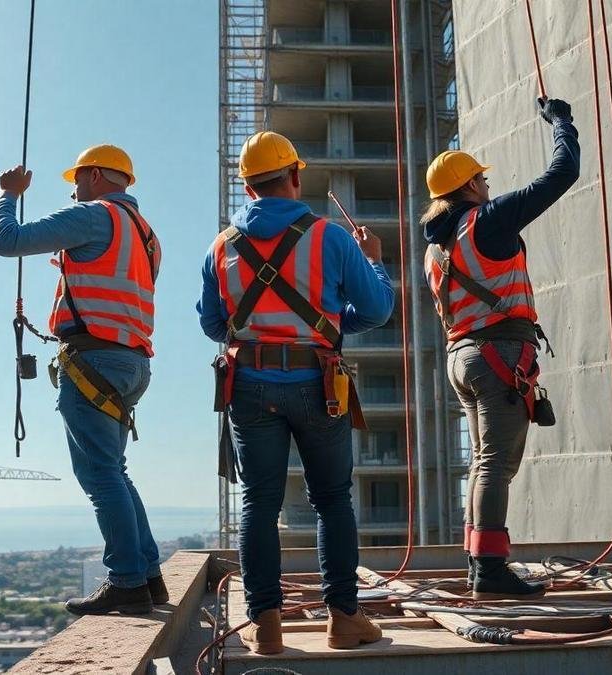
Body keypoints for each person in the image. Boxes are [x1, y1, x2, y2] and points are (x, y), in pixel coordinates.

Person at [197, 131, 393, 653]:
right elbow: (376, 310)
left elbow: (214, 324)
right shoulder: (330, 237)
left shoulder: (221, 246)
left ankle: (266, 626)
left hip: (250, 384)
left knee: (258, 503)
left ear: (248, 187)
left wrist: (261, 326)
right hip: (317, 381)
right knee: (332, 501)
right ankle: (344, 619)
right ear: (295, 177)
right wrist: (371, 262)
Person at [0, 144, 168, 615]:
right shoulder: (147, 235)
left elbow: (8, 241)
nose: (73, 189)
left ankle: (129, 582)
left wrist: (8, 196)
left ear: (93, 175)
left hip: (95, 361)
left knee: (100, 475)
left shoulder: (95, 216)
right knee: (114, 471)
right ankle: (148, 577)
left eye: (77, 179)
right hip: (131, 362)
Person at [420, 97, 580, 600]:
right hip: (499, 356)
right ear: (469, 186)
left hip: (463, 357)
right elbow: (561, 175)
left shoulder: (437, 248)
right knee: (496, 465)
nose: (488, 185)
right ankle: (490, 568)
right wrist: (561, 123)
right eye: (482, 180)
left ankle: (479, 563)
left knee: (483, 462)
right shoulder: (485, 220)